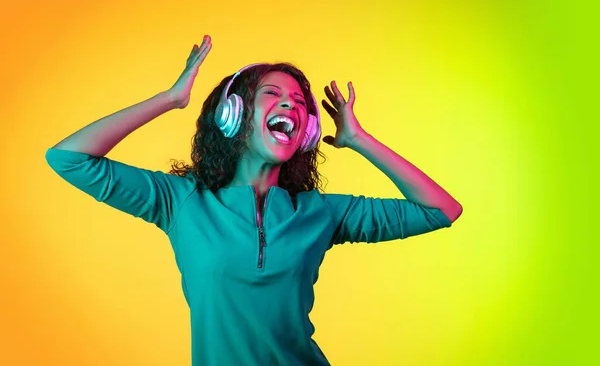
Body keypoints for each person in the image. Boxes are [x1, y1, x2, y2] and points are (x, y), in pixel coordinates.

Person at [45, 35, 463, 366]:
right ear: (233, 113)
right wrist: (170, 99)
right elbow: (69, 158)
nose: (290, 104)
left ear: (308, 133)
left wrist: (359, 140)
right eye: (272, 94)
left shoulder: (323, 213)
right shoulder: (180, 202)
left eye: (300, 102)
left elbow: (442, 210)